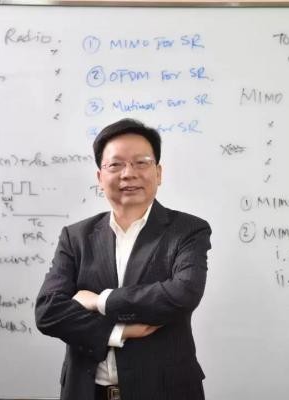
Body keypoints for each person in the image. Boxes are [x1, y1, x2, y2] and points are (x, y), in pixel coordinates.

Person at [35, 118, 211, 400]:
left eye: (141, 163)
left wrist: (99, 301)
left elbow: (182, 294)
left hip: (165, 392)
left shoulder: (187, 230)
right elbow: (48, 311)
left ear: (158, 173)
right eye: (115, 165)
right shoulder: (76, 236)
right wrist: (119, 331)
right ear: (99, 177)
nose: (128, 174)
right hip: (87, 392)